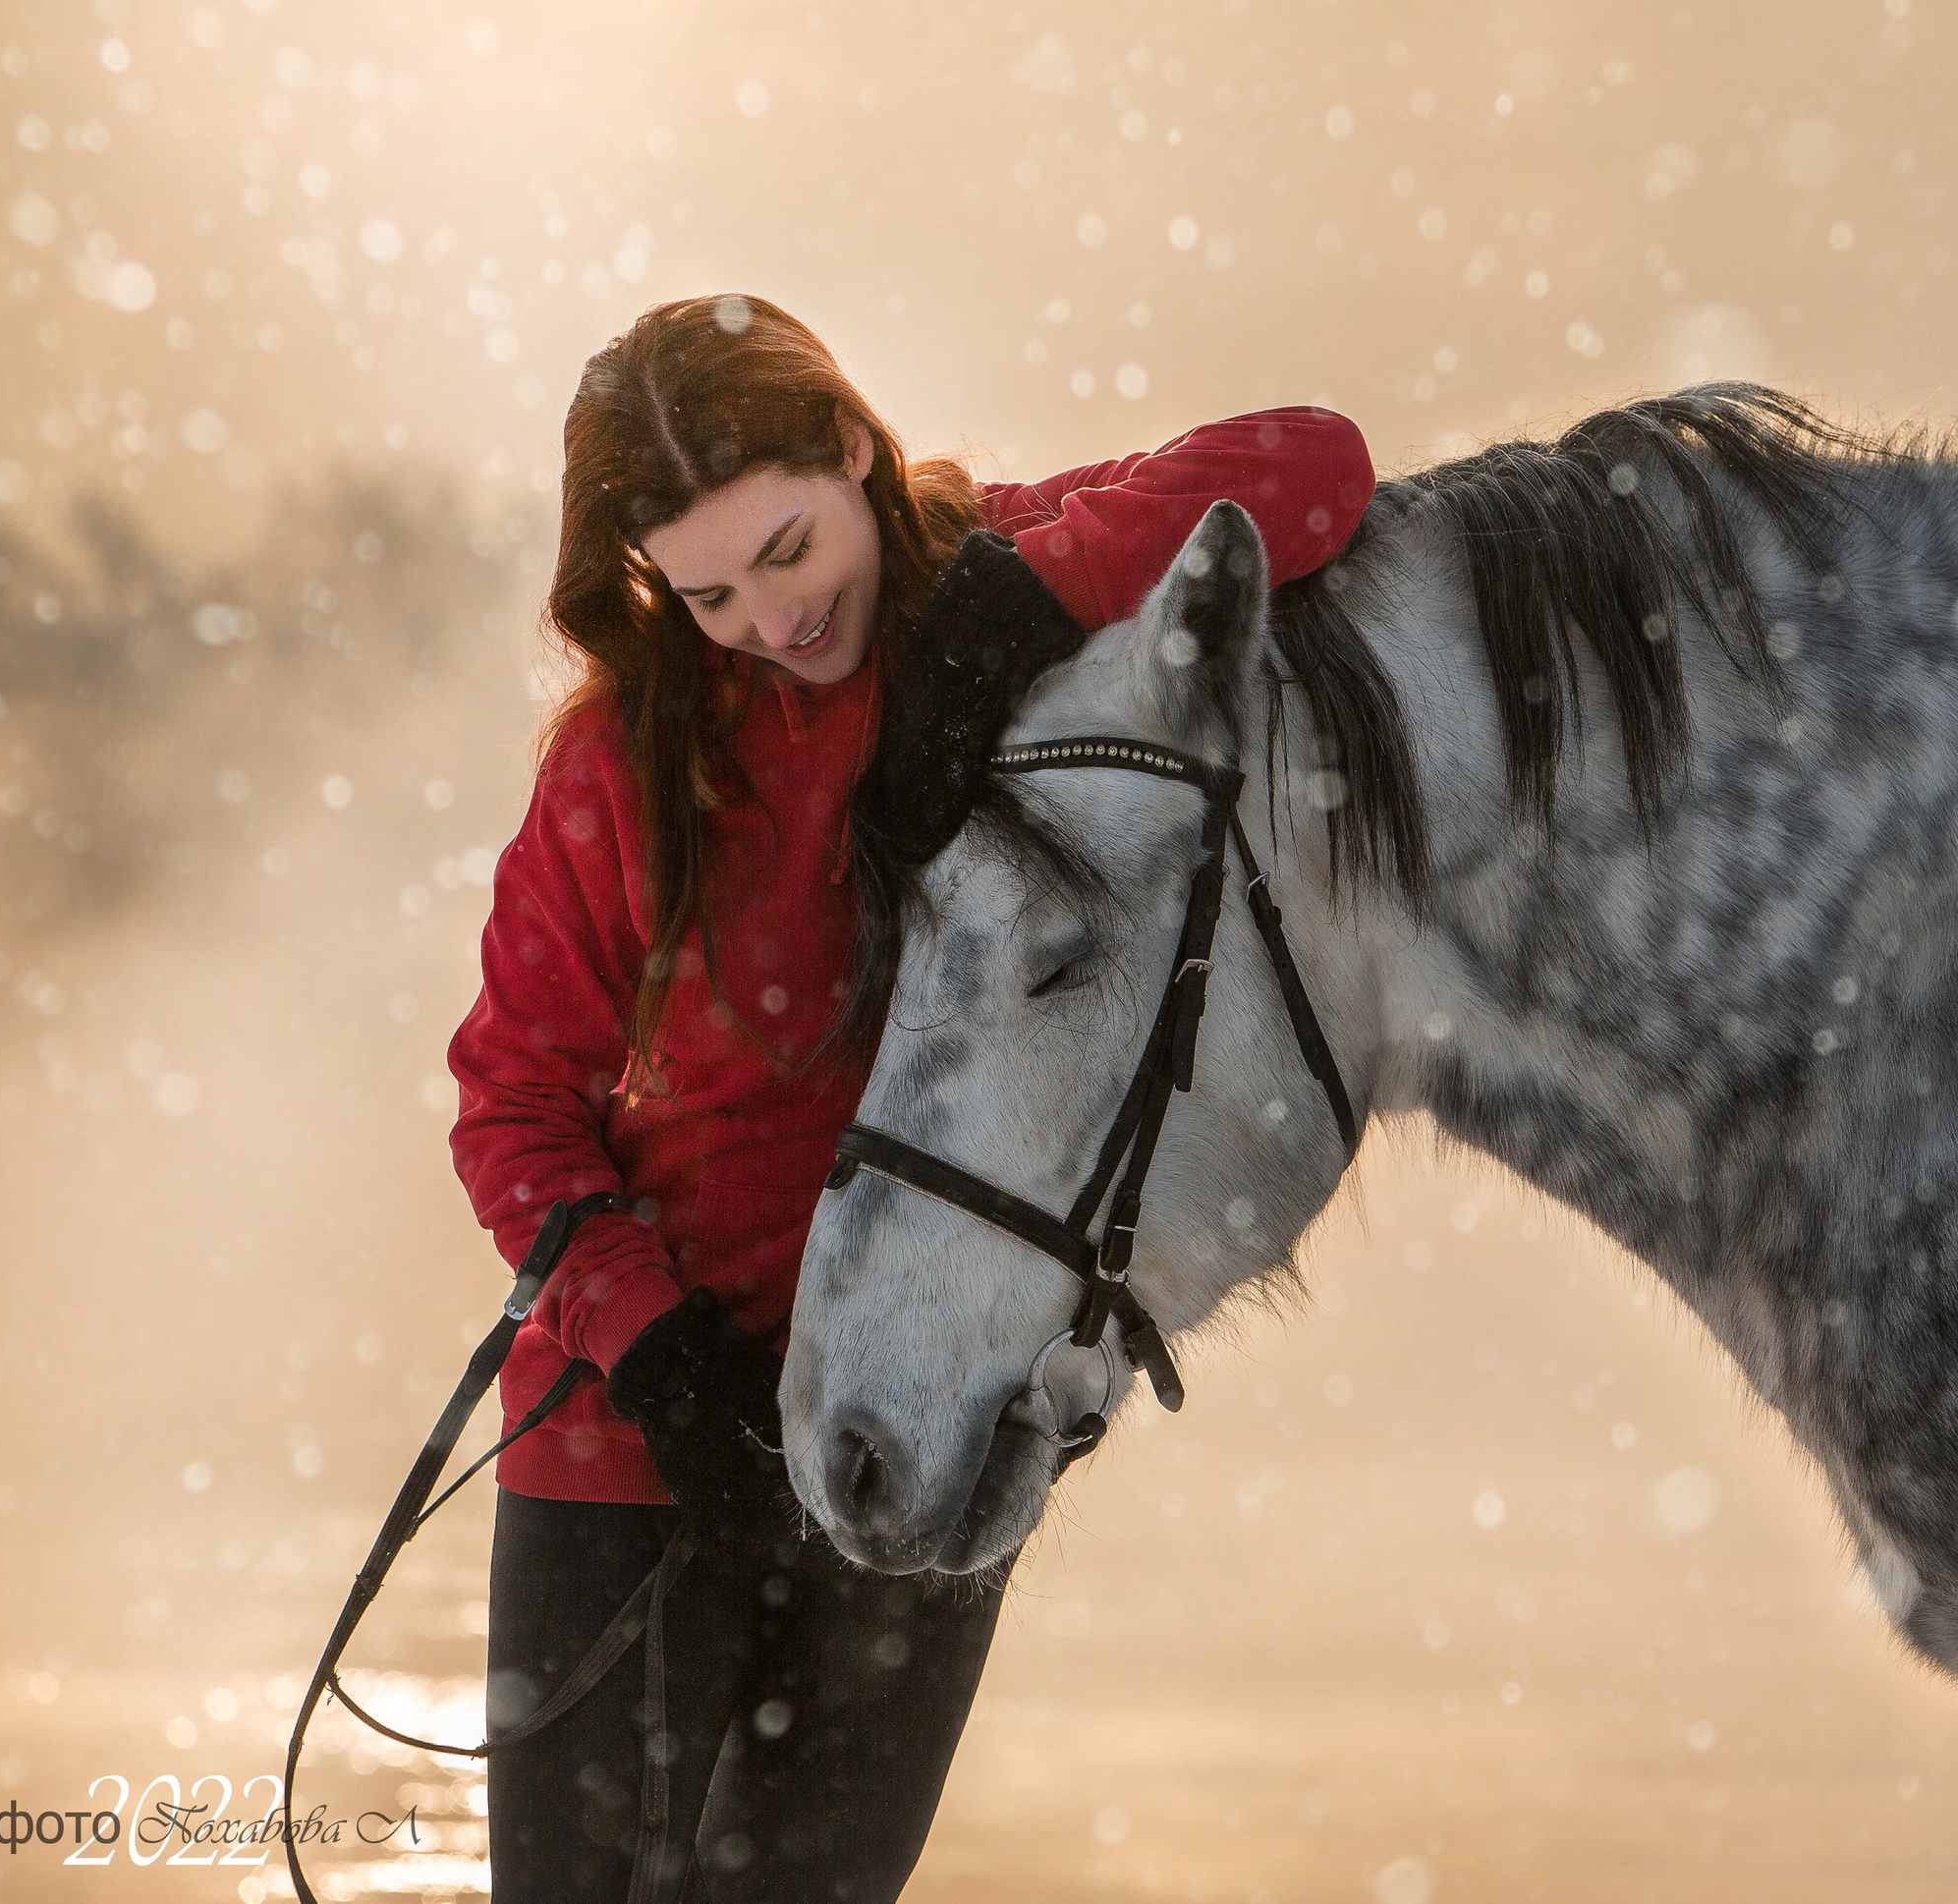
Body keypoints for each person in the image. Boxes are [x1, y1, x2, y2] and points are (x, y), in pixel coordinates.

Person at [445, 291, 1374, 1903]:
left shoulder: (1002, 581)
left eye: (792, 550)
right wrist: (655, 1351)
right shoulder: (627, 758)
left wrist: (1039, 591)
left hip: (920, 1418)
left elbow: (1315, 465)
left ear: (857, 449)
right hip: (635, 1446)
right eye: (710, 589)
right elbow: (510, 1101)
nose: (772, 621)